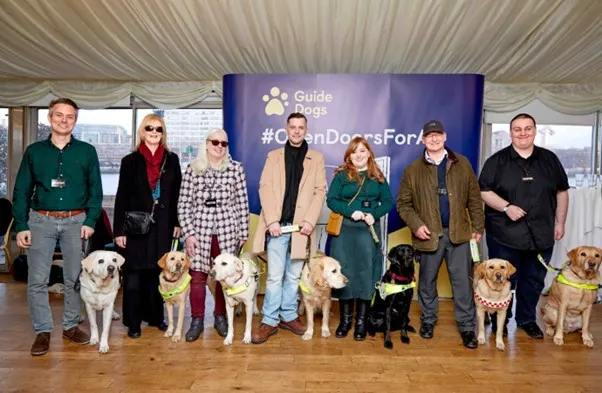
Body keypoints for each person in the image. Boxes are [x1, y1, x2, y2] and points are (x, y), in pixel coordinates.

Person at [12, 98, 103, 356]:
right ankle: (43, 331)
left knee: (75, 278)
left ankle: (71, 326)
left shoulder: (87, 151)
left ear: (75, 120)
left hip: (77, 222)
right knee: (37, 280)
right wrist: (21, 225)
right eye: (59, 115)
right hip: (41, 221)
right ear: (50, 118)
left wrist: (90, 221)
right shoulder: (34, 151)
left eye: (70, 116)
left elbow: (96, 190)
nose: (64, 120)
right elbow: (21, 190)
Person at [479, 113, 569, 339]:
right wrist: (506, 207)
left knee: (533, 281)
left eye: (527, 128)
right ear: (511, 132)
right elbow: (484, 191)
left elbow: (562, 191)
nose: (522, 133)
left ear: (535, 130)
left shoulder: (549, 159)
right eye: (517, 129)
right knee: (502, 280)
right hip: (504, 234)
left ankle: (526, 320)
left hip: (541, 235)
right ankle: (501, 318)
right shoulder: (496, 161)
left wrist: (560, 222)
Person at [397, 119, 484, 349]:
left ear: (445, 137)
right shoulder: (412, 170)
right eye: (429, 135)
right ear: (423, 140)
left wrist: (478, 227)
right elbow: (403, 205)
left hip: (459, 235)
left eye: (438, 134)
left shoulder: (462, 163)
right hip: (428, 237)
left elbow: (474, 198)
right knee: (426, 283)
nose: (434, 139)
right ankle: (427, 321)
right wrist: (416, 225)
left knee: (462, 285)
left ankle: (467, 328)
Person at [251, 112, 327, 344]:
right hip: (278, 227)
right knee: (274, 277)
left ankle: (288, 315)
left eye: (300, 127)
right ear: (286, 129)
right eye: (292, 127)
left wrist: (310, 221)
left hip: (301, 229)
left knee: (293, 277)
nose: (296, 131)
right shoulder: (273, 156)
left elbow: (320, 191)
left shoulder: (317, 157)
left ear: (306, 130)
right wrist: (272, 220)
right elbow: (264, 187)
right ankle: (270, 320)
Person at [113, 114, 182, 339]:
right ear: (142, 132)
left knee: (156, 274)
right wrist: (118, 231)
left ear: (163, 134)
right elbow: (121, 196)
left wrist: (178, 223)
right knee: (133, 277)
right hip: (135, 226)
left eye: (159, 129)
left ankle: (155, 317)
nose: (154, 132)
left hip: (163, 225)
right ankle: (134, 323)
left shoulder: (172, 160)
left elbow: (178, 195)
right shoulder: (129, 161)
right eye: (150, 128)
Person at [178, 129, 250, 341]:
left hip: (228, 229)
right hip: (199, 229)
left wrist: (243, 232)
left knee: (223, 276)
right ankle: (197, 320)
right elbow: (183, 204)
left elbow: (242, 203)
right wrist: (189, 234)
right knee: (198, 276)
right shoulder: (193, 169)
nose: (220, 146)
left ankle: (221, 317)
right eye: (215, 142)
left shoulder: (236, 169)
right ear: (207, 144)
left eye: (224, 143)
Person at [326, 137, 393, 341]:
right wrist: (349, 211)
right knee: (344, 271)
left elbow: (388, 201)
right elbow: (331, 200)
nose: (359, 155)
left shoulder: (377, 176)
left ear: (369, 154)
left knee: (365, 273)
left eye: (363, 151)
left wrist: (375, 212)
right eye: (355, 152)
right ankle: (345, 321)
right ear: (349, 155)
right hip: (345, 231)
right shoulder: (341, 176)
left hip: (368, 230)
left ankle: (361, 322)